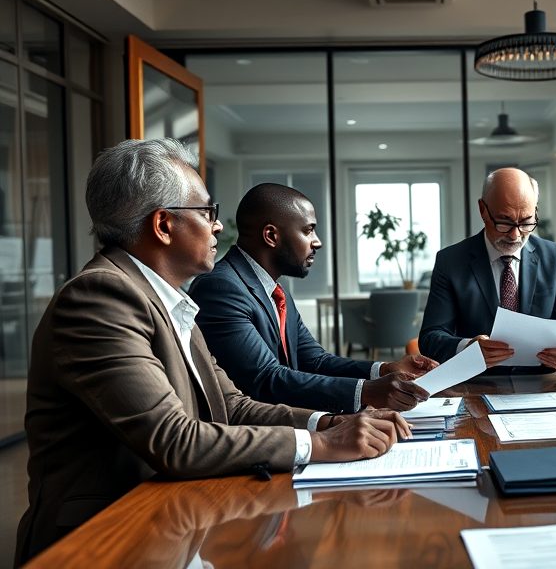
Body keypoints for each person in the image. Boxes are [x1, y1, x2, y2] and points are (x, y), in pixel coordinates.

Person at [16, 139, 410, 564]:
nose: (219, 227)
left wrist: (333, 421)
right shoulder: (100, 297)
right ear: (164, 225)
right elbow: (176, 440)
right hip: (107, 540)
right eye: (207, 213)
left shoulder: (167, 298)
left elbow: (232, 405)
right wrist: (321, 444)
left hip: (174, 518)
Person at [189, 183, 435, 413]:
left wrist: (384, 369)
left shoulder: (276, 289)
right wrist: (367, 392)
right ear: (271, 236)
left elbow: (316, 361)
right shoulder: (220, 288)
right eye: (308, 231)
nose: (317, 242)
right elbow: (265, 380)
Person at [419, 167, 556, 374]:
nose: (515, 235)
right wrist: (467, 348)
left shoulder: (554, 257)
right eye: (504, 222)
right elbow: (430, 338)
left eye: (526, 222)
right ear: (483, 210)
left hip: (542, 385)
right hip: (476, 384)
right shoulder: (451, 261)